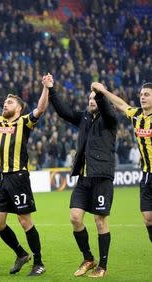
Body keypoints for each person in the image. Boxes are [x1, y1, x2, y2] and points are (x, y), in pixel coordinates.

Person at [0, 75, 50, 276]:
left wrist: (46, 88)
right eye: (5, 102)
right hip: (2, 178)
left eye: (10, 102)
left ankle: (39, 262)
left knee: (25, 221)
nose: (5, 105)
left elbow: (40, 109)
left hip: (18, 177)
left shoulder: (24, 122)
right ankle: (21, 254)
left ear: (19, 108)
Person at [49, 80, 118, 278]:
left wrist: (99, 92)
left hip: (102, 177)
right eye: (89, 98)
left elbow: (106, 107)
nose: (91, 100)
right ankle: (88, 258)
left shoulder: (109, 118)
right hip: (84, 178)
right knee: (75, 217)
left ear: (102, 99)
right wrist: (52, 89)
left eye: (95, 98)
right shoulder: (85, 118)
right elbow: (64, 112)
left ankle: (102, 266)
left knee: (100, 221)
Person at [93, 82, 152, 244]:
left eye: (147, 94)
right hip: (147, 175)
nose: (142, 97)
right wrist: (104, 91)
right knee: (148, 218)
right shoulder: (136, 115)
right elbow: (120, 104)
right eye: (141, 95)